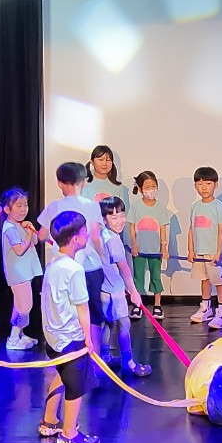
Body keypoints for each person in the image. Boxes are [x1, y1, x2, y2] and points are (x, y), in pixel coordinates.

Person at [38, 211, 101, 443]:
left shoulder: (53, 263)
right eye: (84, 231)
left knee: (61, 374)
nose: (87, 235)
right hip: (70, 338)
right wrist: (88, 339)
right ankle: (69, 434)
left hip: (54, 337)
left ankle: (49, 420)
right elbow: (82, 307)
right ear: (75, 238)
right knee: (76, 386)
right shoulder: (74, 269)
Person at [38, 161, 106, 352]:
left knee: (63, 310)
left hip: (61, 265)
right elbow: (96, 237)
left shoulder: (54, 207)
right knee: (92, 313)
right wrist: (104, 259)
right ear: (83, 182)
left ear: (60, 183)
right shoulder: (92, 206)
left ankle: (64, 352)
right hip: (90, 266)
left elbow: (41, 236)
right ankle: (95, 357)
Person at [98, 196, 152, 377]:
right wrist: (134, 291)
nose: (120, 221)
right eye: (114, 217)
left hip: (103, 289)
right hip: (114, 290)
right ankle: (128, 363)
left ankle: (105, 357)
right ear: (104, 219)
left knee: (108, 324)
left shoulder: (100, 235)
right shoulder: (113, 239)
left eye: (122, 215)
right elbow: (124, 268)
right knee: (124, 324)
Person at [0, 187, 42, 351]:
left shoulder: (19, 226)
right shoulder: (9, 228)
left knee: (20, 305)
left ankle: (19, 334)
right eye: (19, 206)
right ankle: (13, 337)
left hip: (25, 271)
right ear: (7, 209)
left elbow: (35, 242)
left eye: (25, 205)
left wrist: (30, 229)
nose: (23, 209)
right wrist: (28, 234)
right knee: (24, 306)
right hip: (18, 273)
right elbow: (19, 250)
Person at [187, 166, 222, 329]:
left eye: (208, 183)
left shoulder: (219, 207)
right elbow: (191, 229)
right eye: (200, 184)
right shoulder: (195, 207)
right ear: (195, 186)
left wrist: (219, 252)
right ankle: (206, 308)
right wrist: (191, 250)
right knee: (204, 279)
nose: (204, 187)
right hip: (199, 253)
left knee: (219, 282)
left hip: (214, 254)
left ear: (216, 185)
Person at [128, 170, 171, 320]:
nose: (151, 189)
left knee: (156, 277)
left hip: (155, 251)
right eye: (147, 187)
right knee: (138, 277)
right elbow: (132, 227)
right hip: (139, 251)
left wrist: (164, 247)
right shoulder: (135, 207)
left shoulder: (161, 208)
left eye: (153, 186)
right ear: (140, 189)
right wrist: (134, 244)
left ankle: (157, 306)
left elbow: (163, 228)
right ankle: (137, 305)